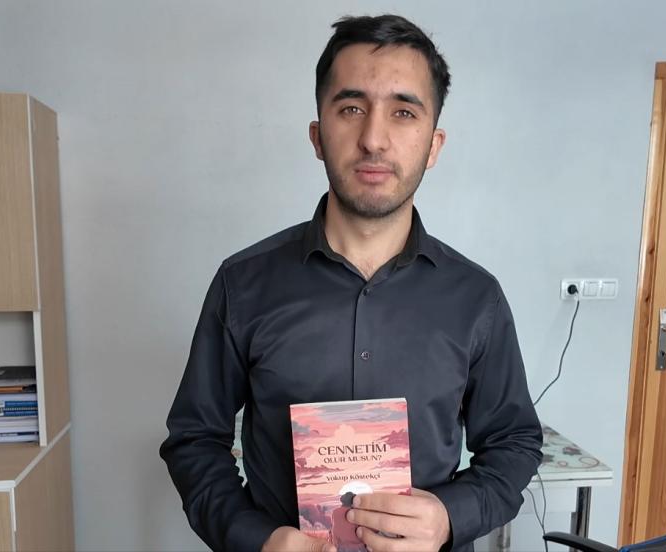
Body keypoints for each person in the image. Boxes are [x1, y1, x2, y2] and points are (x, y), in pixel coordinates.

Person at [160, 14, 542, 552]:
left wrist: (448, 517)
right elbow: (195, 440)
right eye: (352, 108)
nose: (374, 139)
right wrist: (258, 539)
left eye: (403, 112)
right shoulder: (242, 284)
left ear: (434, 145)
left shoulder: (476, 298)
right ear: (318, 136)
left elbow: (514, 443)